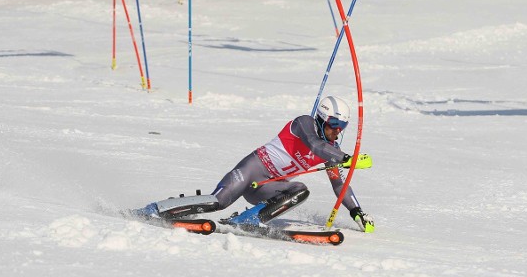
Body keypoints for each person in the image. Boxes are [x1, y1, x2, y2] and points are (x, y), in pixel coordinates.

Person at [137, 96, 376, 233]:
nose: (337, 130)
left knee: (300, 190)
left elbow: (339, 185)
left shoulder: (331, 152)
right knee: (217, 201)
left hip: (267, 187)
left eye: (342, 126)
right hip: (253, 168)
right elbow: (314, 145)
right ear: (322, 118)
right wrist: (347, 158)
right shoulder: (304, 124)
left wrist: (357, 212)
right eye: (334, 123)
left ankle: (245, 222)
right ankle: (156, 209)